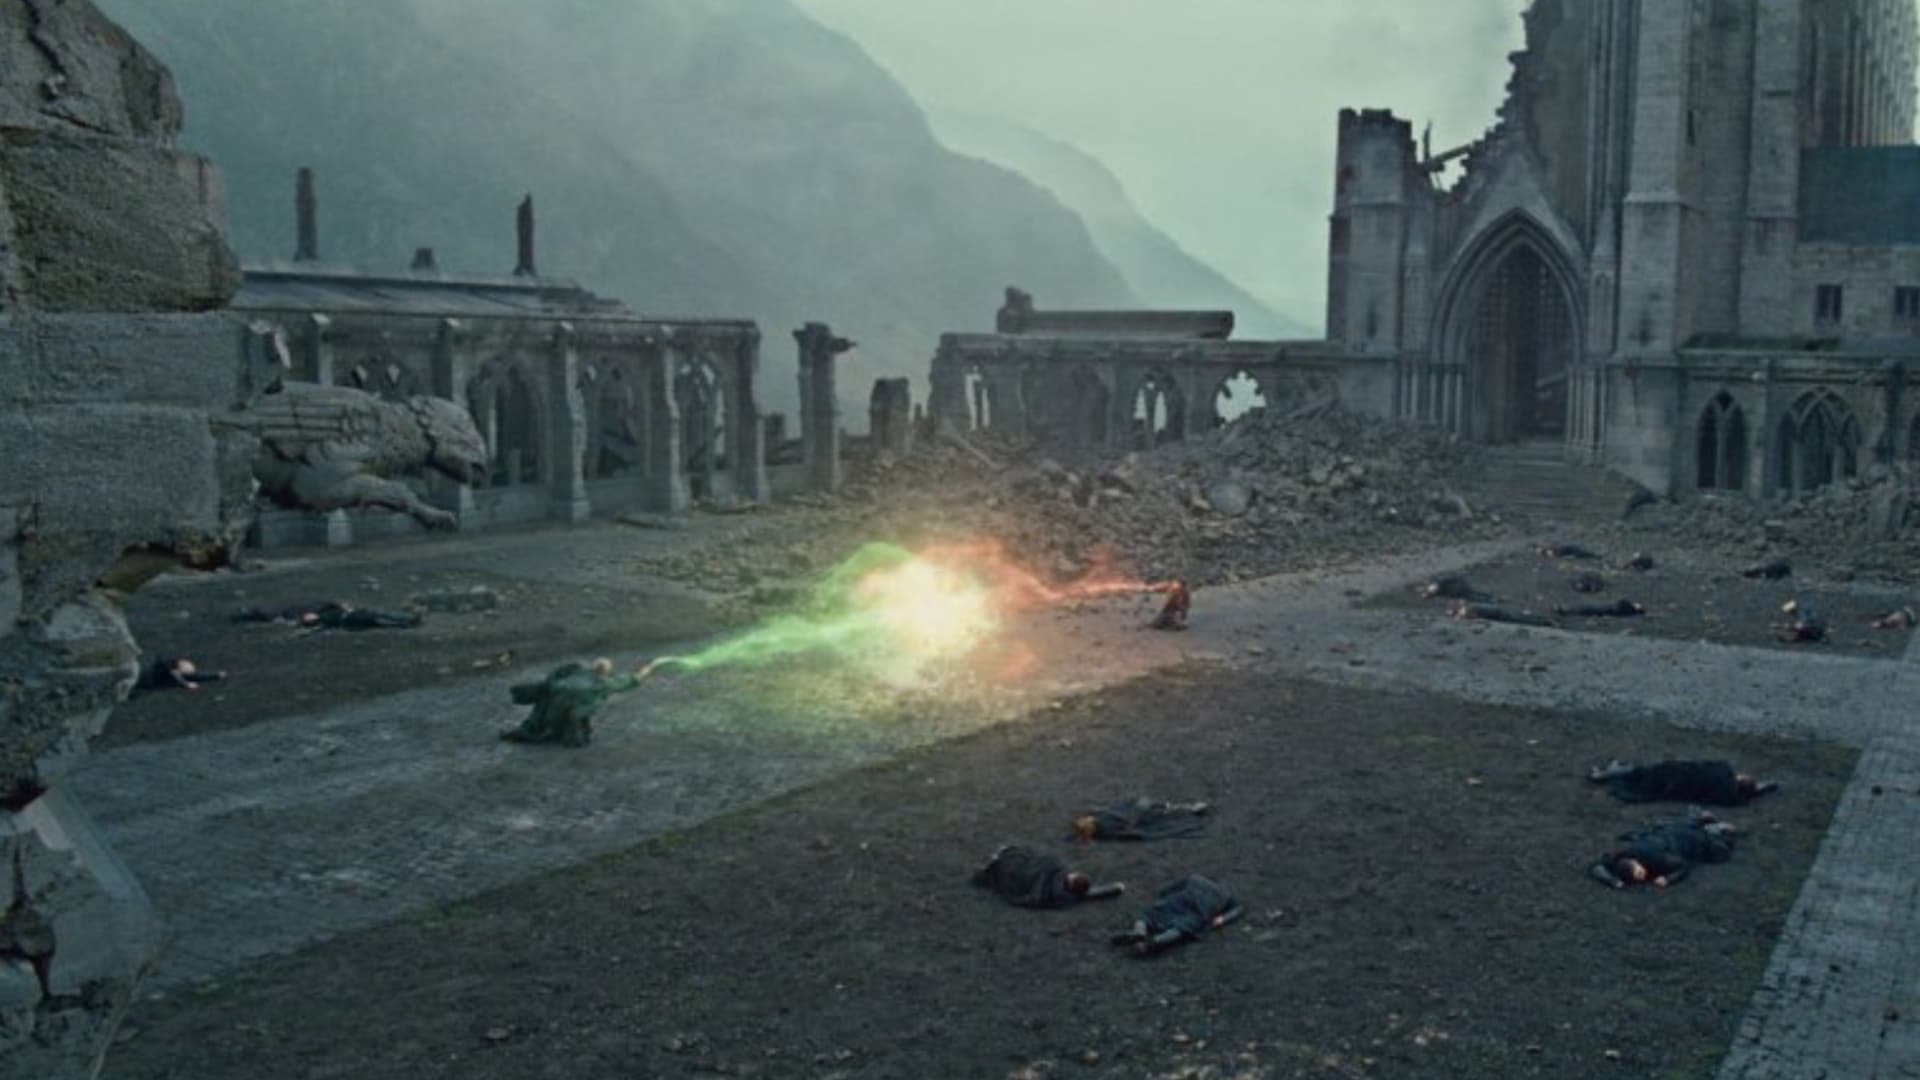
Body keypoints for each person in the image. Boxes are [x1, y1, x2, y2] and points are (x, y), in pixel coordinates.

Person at [500, 657, 650, 747]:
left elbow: (554, 678)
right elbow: (623, 682)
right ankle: (572, 735)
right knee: (581, 715)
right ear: (605, 671)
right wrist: (640, 675)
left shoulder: (575, 673)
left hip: (551, 707)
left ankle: (529, 732)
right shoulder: (601, 683)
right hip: (571, 713)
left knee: (541, 721)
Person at [1590, 811, 1736, 890]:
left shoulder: (1655, 859)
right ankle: (1705, 823)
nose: (1641, 877)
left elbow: (1682, 865)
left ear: (1635, 863)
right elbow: (1596, 867)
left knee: (1714, 845)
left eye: (1638, 873)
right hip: (1665, 834)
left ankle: (1715, 829)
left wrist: (1668, 879)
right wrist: (1612, 881)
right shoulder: (1619, 857)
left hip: (1683, 841)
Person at [1110, 875, 1242, 955]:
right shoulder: (1226, 895)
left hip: (1182, 899)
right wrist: (1223, 919)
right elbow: (1238, 909)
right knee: (1182, 927)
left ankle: (1139, 931)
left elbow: (1170, 889)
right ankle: (1155, 942)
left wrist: (1163, 900)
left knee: (1148, 915)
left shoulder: (1195, 878)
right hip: (1202, 910)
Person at [972, 845, 1123, 909]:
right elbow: (1094, 892)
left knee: (1016, 863)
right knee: (1023, 859)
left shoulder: (1056, 884)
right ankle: (1000, 860)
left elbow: (1034, 887)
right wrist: (1116, 888)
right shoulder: (1069, 896)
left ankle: (999, 860)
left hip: (1025, 875)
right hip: (1030, 873)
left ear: (1071, 881)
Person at [1588, 759, 1778, 805]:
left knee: (1643, 772)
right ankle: (1613, 772)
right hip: (1681, 788)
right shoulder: (1727, 797)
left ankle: (1606, 774)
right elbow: (1746, 796)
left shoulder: (1724, 770)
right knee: (1642, 779)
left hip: (1679, 774)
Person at [1072, 797, 1211, 843]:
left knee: (1162, 811)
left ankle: (1189, 809)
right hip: (1137, 816)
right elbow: (1124, 827)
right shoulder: (1104, 825)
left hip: (1134, 815)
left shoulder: (1102, 828)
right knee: (1164, 813)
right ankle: (1191, 809)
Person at [134, 655, 227, 693]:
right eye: (188, 670)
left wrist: (216, 675)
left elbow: (198, 676)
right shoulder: (168, 662)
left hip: (149, 685)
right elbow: (174, 673)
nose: (190, 672)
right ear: (182, 663)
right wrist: (186, 684)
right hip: (142, 677)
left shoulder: (183, 674)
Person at [1450, 601, 1555, 628]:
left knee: (1519, 619)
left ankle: (1543, 622)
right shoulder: (1471, 606)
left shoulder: (1469, 610)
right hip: (1496, 611)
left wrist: (1460, 618)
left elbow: (1474, 617)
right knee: (1519, 617)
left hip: (1498, 614)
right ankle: (1542, 620)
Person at [1421, 576, 1494, 602]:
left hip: (1458, 590)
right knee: (1474, 594)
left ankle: (1490, 598)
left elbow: (1449, 580)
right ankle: (1490, 598)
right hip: (1459, 589)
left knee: (1474, 595)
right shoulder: (1439, 589)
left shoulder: (1438, 590)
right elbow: (1450, 580)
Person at [1554, 599, 1645, 618]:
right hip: (1603, 609)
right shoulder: (1629, 609)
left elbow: (1620, 604)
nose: (1638, 604)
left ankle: (1564, 611)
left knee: (1584, 610)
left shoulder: (1628, 608)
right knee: (1583, 609)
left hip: (1602, 610)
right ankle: (1565, 611)